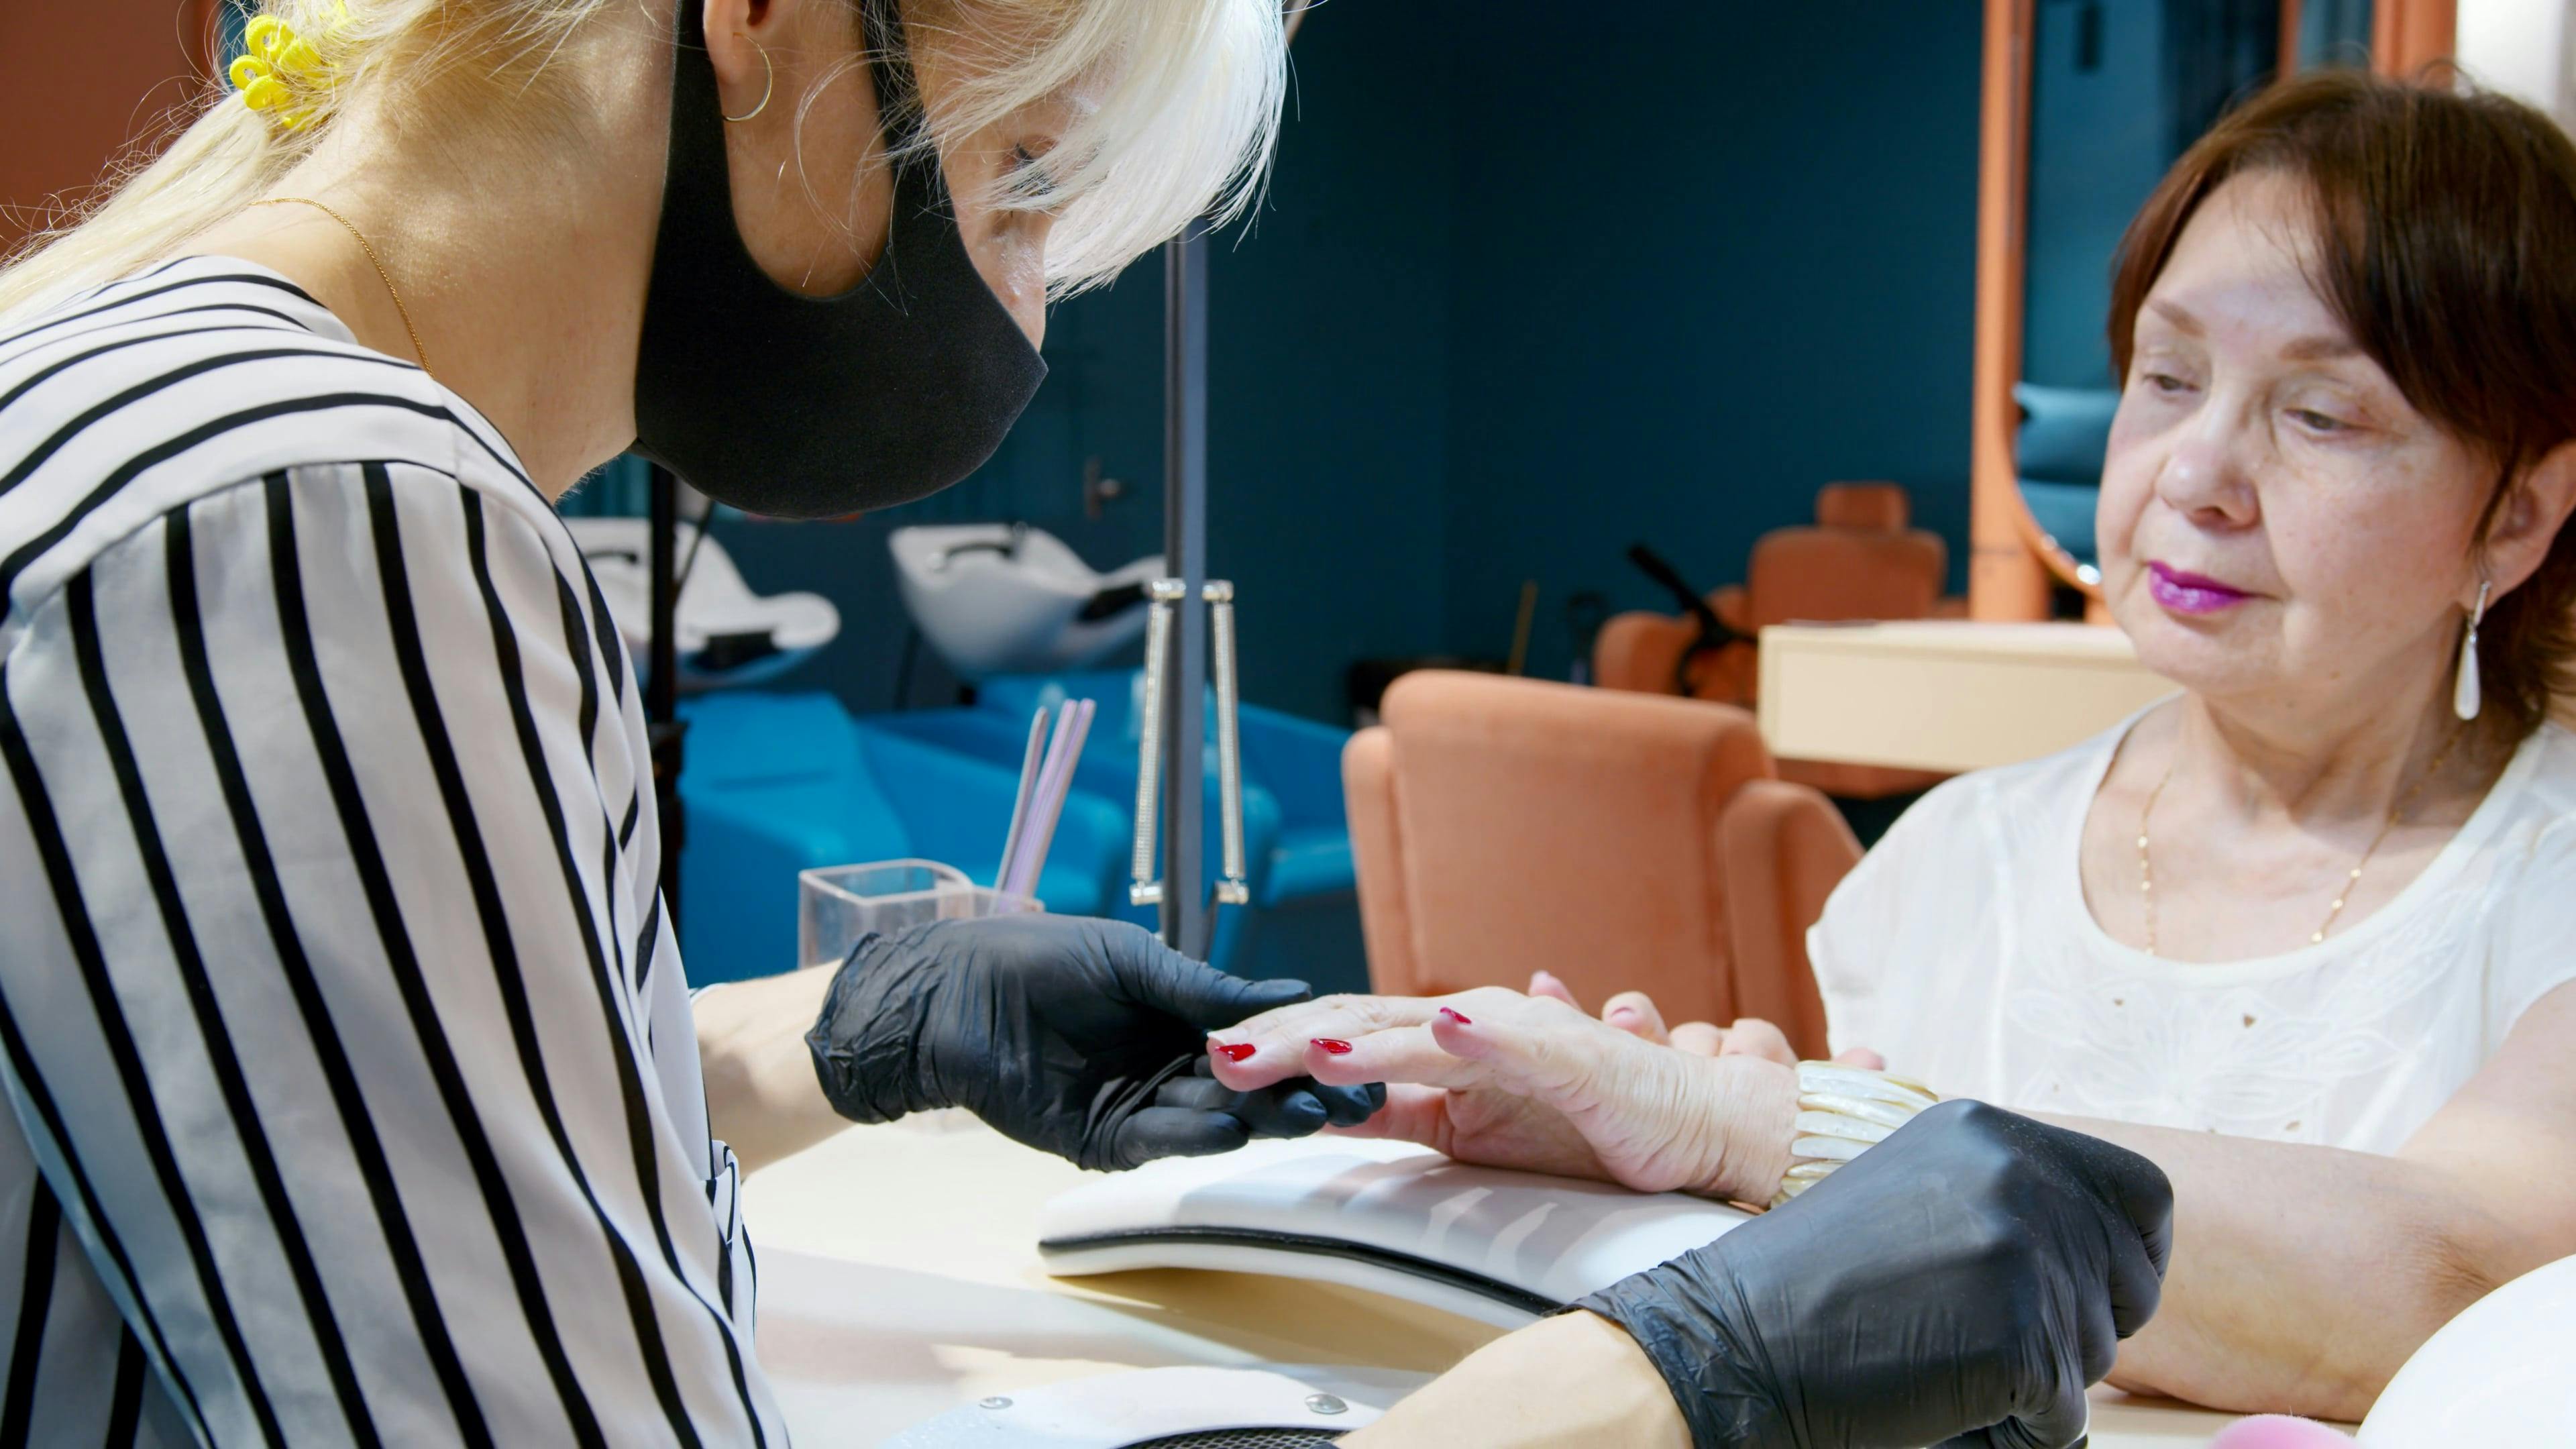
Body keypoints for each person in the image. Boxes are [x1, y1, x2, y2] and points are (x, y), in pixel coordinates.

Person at [0, 1, 2170, 1446]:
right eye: (1025, 184)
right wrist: (1681, 1379)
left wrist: (817, 1038)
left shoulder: (135, 396)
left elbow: (259, 1116)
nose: (1025, 313)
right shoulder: (310, 511)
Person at [1211, 68, 2576, 1428]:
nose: (2195, 474)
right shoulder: (1956, 862)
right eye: (2167, 378)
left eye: (2321, 413)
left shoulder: (2546, 879)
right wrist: (1646, 1160)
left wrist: (1746, 1125)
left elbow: (2451, 1278)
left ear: (2517, 512)